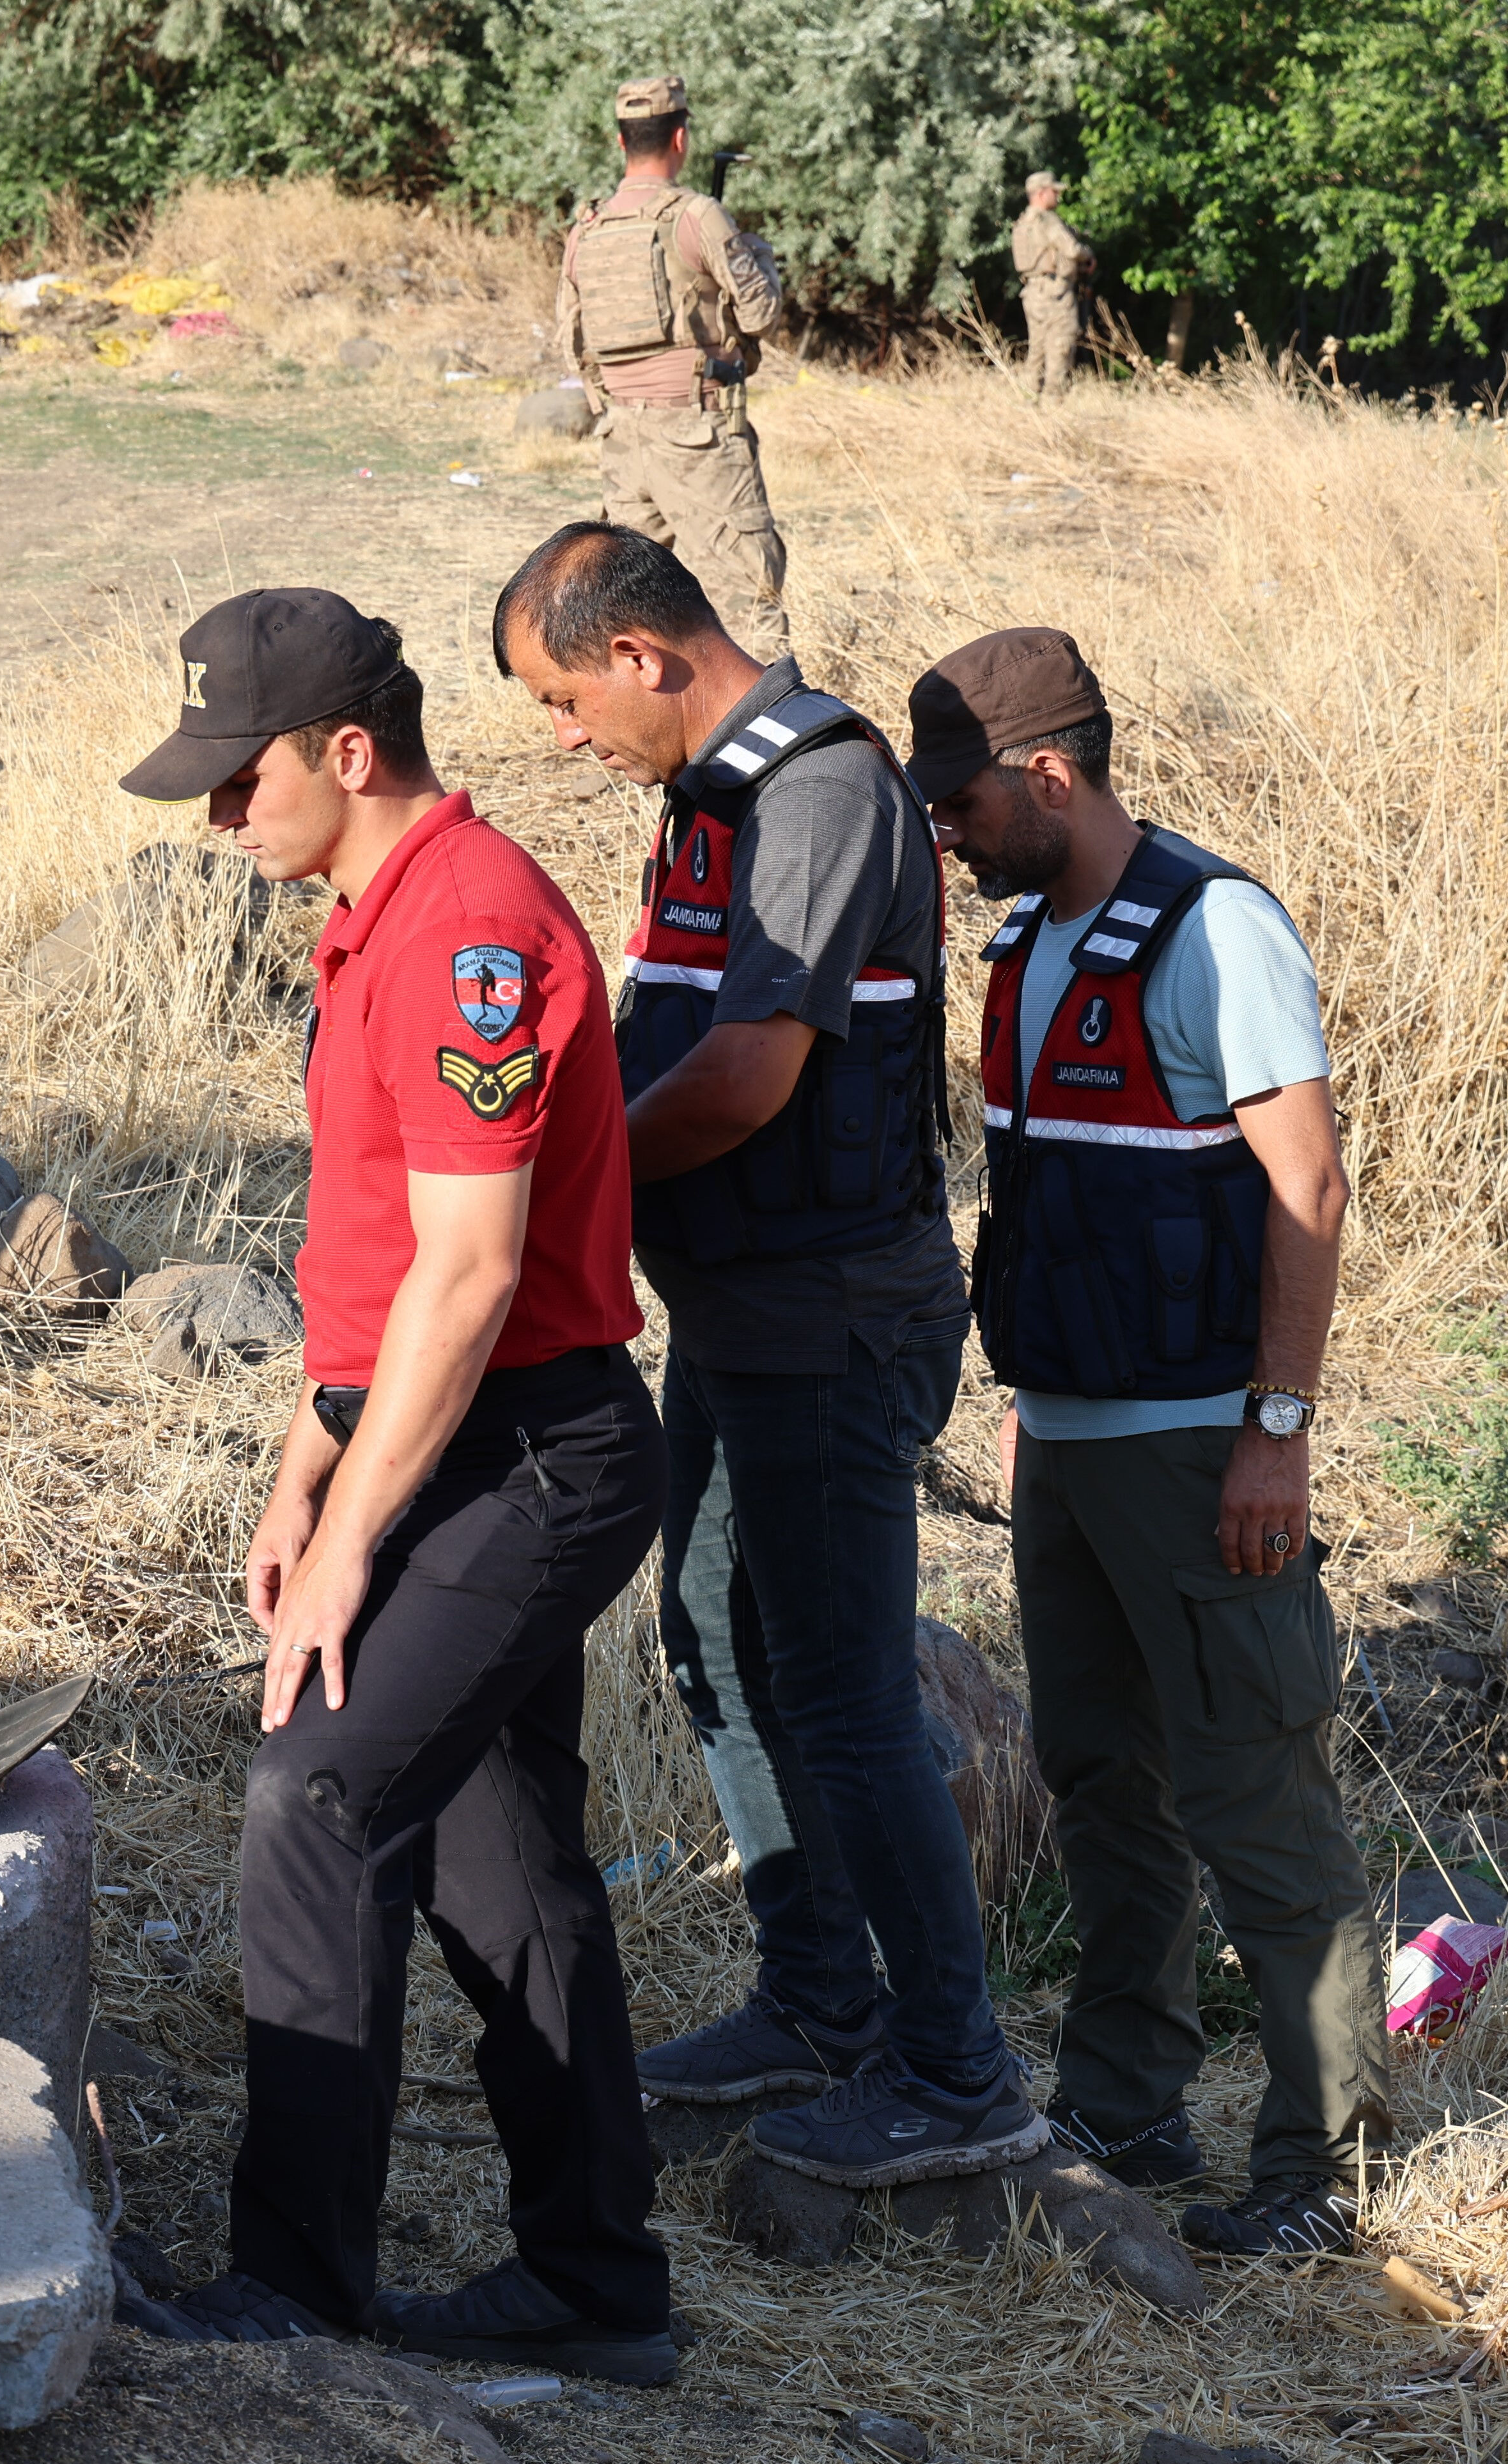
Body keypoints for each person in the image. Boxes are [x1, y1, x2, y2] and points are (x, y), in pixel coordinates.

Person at [103, 591, 675, 2380]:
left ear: (349, 755)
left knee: (318, 1800)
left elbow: (477, 1275)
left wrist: (357, 1540)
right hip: (443, 1435)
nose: (217, 820)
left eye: (237, 780)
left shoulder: (469, 930)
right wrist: (310, 1466)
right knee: (502, 1870)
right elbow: (376, 1266)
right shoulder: (374, 918)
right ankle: (594, 2282)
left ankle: (294, 2290)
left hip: (536, 1450)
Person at [492, 522, 1046, 2188]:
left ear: (646, 653)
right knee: (717, 1646)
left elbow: (744, 1078)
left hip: (827, 1313)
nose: (564, 738)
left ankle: (958, 2074)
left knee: (850, 1689)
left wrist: (554, 1178)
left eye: (567, 699)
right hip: (744, 1308)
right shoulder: (716, 793)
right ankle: (817, 2001)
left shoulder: (813, 791)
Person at [912, 628, 1385, 2256]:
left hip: (1204, 1448)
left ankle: (1325, 2171)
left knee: (1258, 1798)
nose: (946, 834)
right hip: (1072, 1442)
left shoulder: (1217, 927)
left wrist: (1276, 1434)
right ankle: (1126, 2104)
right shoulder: (1033, 938)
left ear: (1049, 775)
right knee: (1104, 1779)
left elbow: (1306, 1189)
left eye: (962, 801)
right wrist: (1042, 1419)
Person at [552, 75, 793, 663]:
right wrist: (756, 253)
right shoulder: (697, 215)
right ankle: (770, 744)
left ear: (620, 142)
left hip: (621, 438)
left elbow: (571, 341)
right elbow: (761, 313)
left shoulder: (587, 228)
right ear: (681, 137)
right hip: (699, 433)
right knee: (747, 593)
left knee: (631, 604)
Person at [1012, 174, 1093, 402]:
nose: (1057, 195)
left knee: (1037, 350)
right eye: (1053, 191)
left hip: (1032, 293)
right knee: (1061, 347)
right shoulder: (1048, 221)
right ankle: (1053, 403)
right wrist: (1088, 255)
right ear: (1040, 193)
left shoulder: (1023, 222)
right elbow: (1072, 250)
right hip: (1055, 294)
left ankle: (1027, 401)